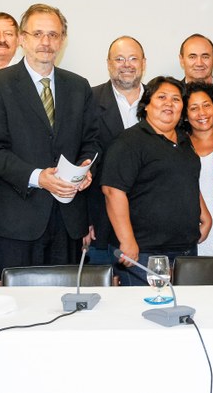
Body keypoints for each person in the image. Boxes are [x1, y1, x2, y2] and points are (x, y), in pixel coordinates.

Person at [0, 4, 100, 280]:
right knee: (19, 303)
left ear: (62, 40)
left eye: (53, 35)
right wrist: (38, 177)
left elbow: (91, 141)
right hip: (17, 223)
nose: (46, 42)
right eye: (38, 34)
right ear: (22, 38)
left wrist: (85, 168)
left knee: (66, 300)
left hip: (68, 221)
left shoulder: (78, 86)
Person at [101, 76, 211, 285]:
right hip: (143, 252)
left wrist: (204, 215)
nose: (169, 103)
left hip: (185, 249)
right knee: (146, 305)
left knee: (183, 304)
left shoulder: (184, 140)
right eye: (162, 97)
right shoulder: (129, 141)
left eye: (176, 99)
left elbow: (186, 179)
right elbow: (112, 191)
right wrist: (127, 241)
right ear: (146, 104)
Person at [86, 36, 146, 264]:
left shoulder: (161, 102)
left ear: (143, 63)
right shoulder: (88, 100)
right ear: (108, 63)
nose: (126, 65)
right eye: (119, 59)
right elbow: (80, 158)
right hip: (100, 224)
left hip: (151, 224)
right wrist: (83, 220)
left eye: (133, 58)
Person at [182, 81, 213, 257]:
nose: (202, 113)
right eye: (193, 108)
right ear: (185, 115)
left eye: (206, 105)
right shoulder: (179, 145)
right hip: (192, 223)